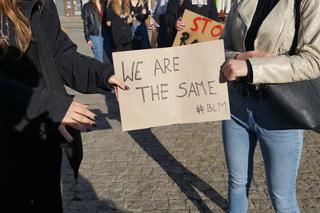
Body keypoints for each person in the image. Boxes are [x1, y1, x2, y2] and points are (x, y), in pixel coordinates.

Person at [0, 0, 128, 212]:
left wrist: (104, 74)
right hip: (9, 146)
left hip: (44, 140)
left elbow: (61, 56)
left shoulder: (43, 4)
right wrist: (49, 106)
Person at [221, 0, 320, 212]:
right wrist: (239, 57)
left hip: (279, 110)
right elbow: (223, 45)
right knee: (236, 184)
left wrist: (251, 66)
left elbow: (314, 60)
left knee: (282, 198)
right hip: (236, 106)